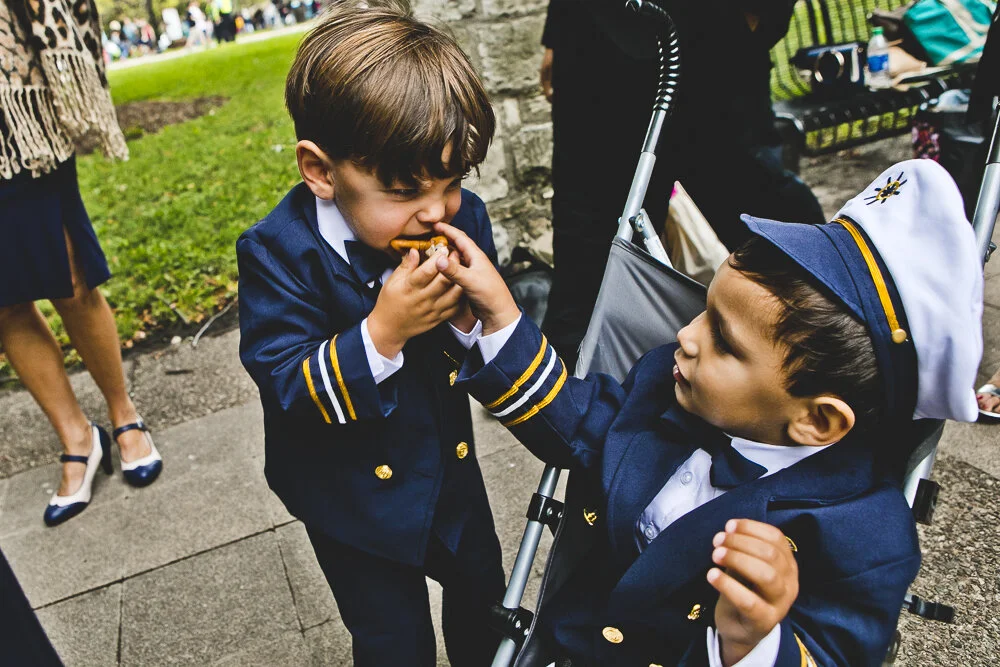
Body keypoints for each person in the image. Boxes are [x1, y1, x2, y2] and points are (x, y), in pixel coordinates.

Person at [434, 158, 982, 666]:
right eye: (704, 311)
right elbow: (574, 420)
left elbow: (837, 652)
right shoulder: (661, 389)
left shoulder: (862, 533)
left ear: (817, 420)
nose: (686, 335)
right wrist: (498, 319)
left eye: (724, 340)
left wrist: (756, 639)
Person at [236, 2, 505, 664]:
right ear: (322, 171)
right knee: (393, 640)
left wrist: (475, 317)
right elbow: (287, 386)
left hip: (447, 471)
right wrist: (382, 331)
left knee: (486, 605)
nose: (437, 208)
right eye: (407, 189)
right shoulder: (280, 253)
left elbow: (478, 345)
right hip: (349, 497)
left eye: (452, 180)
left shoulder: (457, 213)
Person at [540, 0, 826, 373]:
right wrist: (560, 29)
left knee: (767, 212)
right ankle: (565, 386)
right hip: (600, 40)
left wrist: (760, 15)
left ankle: (827, 340)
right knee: (590, 235)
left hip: (719, 35)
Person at [0, 0, 163, 527]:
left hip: (19, 107)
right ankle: (77, 436)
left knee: (71, 278)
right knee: (3, 299)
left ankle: (123, 414)